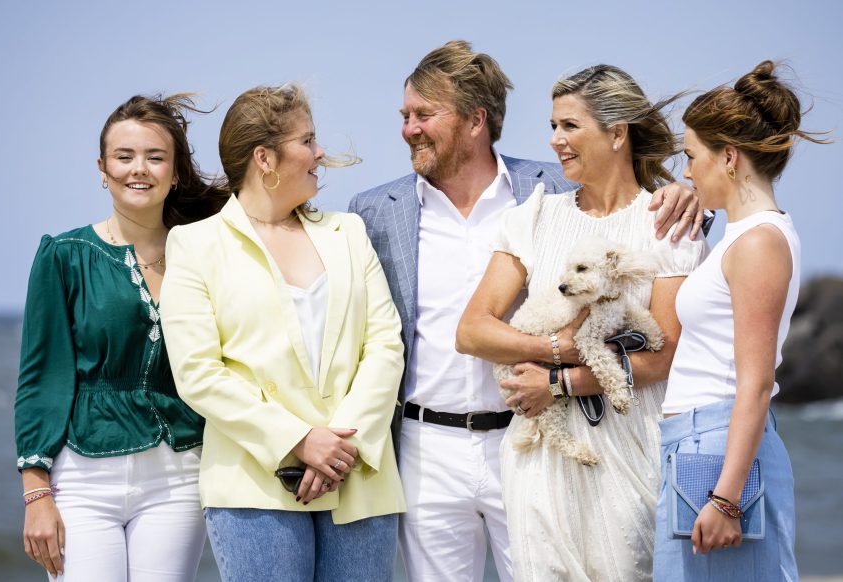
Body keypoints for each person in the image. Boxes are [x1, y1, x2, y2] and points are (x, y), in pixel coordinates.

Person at [350, 41, 703, 582]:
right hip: (429, 448)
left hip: (540, 433)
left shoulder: (549, 191)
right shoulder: (374, 210)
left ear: (475, 120)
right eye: (405, 116)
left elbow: (653, 249)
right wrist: (560, 350)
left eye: (423, 115)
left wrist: (689, 197)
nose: (408, 129)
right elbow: (430, 329)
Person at [456, 64, 709, 581]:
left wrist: (559, 381)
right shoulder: (534, 217)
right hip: (541, 455)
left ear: (618, 133)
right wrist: (560, 347)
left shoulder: (668, 223)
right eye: (553, 126)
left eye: (570, 126)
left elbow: (663, 355)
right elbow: (473, 330)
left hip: (631, 446)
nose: (555, 141)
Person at [160, 83, 406, 581]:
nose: (320, 153)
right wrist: (298, 440)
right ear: (264, 158)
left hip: (358, 475)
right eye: (307, 140)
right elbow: (198, 373)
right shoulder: (193, 245)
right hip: (254, 485)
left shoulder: (349, 233)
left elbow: (385, 345)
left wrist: (339, 448)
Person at [15, 94, 228, 581]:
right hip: (84, 478)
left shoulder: (203, 252)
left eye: (156, 157)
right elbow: (40, 379)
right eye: (124, 156)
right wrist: (36, 492)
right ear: (102, 167)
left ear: (175, 172)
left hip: (180, 474)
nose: (140, 169)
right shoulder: (65, 254)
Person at [653, 61, 827, 581]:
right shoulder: (739, 237)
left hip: (719, 451)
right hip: (701, 447)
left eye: (690, 157)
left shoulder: (758, 245)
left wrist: (727, 498)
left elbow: (755, 384)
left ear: (729, 157)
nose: (685, 172)